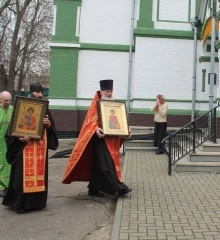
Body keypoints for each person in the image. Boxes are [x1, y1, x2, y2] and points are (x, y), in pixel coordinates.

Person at [62, 79, 132, 197]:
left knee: (99, 164)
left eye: (111, 91)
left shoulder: (115, 105)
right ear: (101, 91)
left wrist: (126, 129)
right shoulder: (96, 105)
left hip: (112, 139)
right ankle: (120, 188)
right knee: (106, 164)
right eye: (107, 91)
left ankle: (94, 189)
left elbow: (119, 121)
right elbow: (89, 122)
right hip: (99, 138)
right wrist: (95, 128)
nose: (109, 94)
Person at [2, 83, 59, 213]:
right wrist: (18, 138)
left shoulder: (45, 109)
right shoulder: (21, 106)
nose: (40, 95)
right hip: (24, 148)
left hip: (39, 148)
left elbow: (52, 128)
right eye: (37, 92)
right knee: (21, 177)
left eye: (41, 92)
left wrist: (49, 124)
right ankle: (21, 205)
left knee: (39, 176)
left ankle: (36, 204)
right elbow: (13, 130)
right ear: (31, 92)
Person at [0, 91, 13, 198]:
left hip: (10, 142)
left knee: (9, 163)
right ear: (0, 100)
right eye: (5, 100)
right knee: (1, 164)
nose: (8, 102)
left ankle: (9, 186)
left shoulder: (13, 109)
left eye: (9, 100)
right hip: (0, 142)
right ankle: (1, 187)